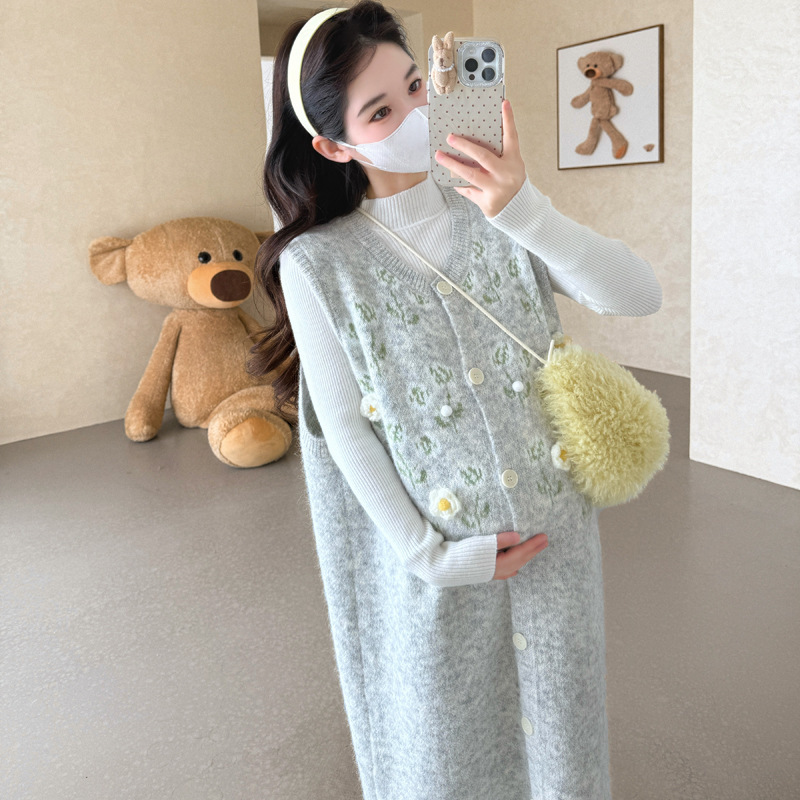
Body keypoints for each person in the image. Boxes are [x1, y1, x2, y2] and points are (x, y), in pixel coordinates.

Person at [248, 3, 662, 799]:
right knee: (447, 750)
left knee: (564, 741)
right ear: (334, 145)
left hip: (554, 540)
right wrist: (429, 557)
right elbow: (343, 432)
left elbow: (637, 294)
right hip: (444, 559)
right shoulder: (320, 263)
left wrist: (522, 206)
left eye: (415, 86)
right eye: (380, 111)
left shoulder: (498, 208)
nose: (414, 115)